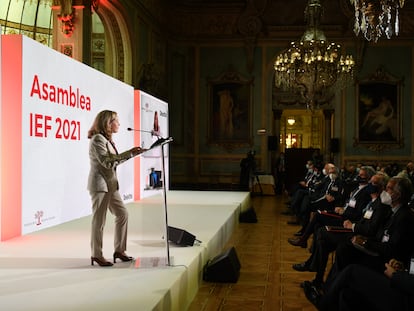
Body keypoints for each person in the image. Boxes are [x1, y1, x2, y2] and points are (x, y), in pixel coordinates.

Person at [87, 110, 144, 267]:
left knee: (122, 214)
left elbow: (113, 161)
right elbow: (107, 162)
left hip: (110, 185)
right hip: (100, 185)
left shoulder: (107, 139)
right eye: (116, 121)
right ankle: (96, 255)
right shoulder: (98, 139)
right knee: (99, 221)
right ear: (107, 123)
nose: (118, 124)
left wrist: (131, 154)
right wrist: (129, 153)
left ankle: (119, 250)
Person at [318, 260, 414, 311]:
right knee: (347, 293)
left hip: (406, 300)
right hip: (403, 284)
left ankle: (323, 304)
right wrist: (403, 268)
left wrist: (395, 276)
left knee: (352, 271)